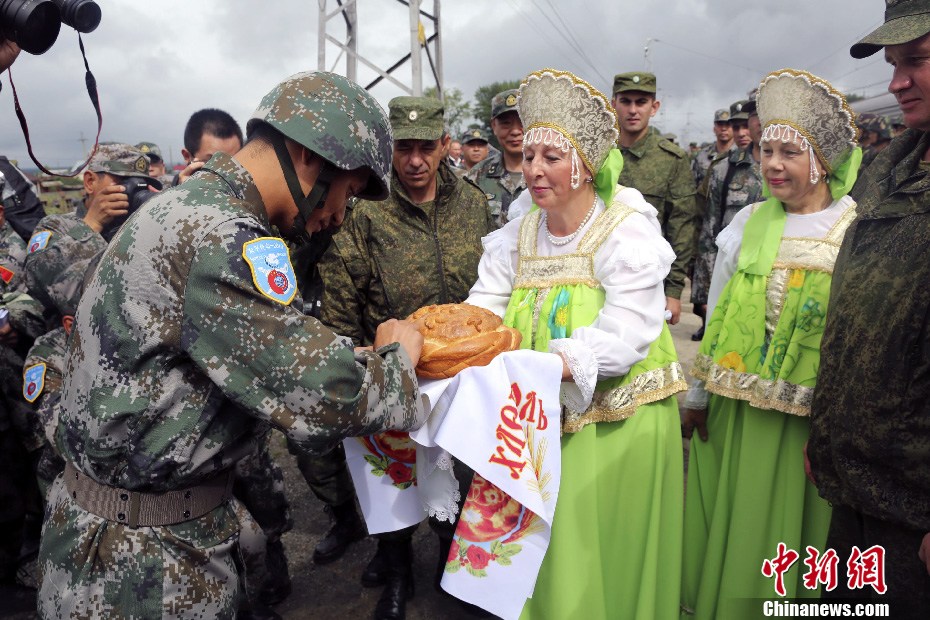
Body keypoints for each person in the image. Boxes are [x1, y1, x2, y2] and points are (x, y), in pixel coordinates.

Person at [36, 71, 428, 619]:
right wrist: (397, 358)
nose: (340, 214)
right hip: (141, 570)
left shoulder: (187, 207)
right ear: (306, 156)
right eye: (350, 190)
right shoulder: (219, 236)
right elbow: (329, 399)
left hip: (126, 536)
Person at [467, 68, 685, 619]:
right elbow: (484, 303)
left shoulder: (623, 228)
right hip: (533, 414)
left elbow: (631, 327)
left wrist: (546, 366)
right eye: (530, 155)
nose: (534, 170)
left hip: (613, 421)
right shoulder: (519, 230)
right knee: (540, 554)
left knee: (593, 550)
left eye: (551, 158)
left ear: (585, 165)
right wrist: (450, 341)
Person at [680, 69, 862, 618]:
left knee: (796, 536)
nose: (773, 164)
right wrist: (697, 397)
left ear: (822, 161)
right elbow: (716, 315)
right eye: (766, 150)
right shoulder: (749, 222)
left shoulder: (853, 228)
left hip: (811, 422)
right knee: (740, 517)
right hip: (738, 413)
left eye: (789, 152)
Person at [318, 95, 493, 620]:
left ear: (445, 146)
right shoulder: (366, 210)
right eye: (403, 149)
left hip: (462, 372)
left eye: (425, 148)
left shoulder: (474, 204)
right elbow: (342, 288)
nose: (415, 161)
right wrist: (353, 358)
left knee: (456, 474)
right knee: (390, 479)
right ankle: (396, 572)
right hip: (393, 370)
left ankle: (450, 562)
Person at [809, 2, 930, 615]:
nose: (896, 82)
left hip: (916, 511)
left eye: (917, 60)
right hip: (858, 486)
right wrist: (827, 432)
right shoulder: (895, 165)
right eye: (893, 64)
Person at [612, 71, 697, 325]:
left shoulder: (671, 159)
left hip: (650, 282)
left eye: (641, 102)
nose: (633, 110)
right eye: (626, 101)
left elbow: (681, 226)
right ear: (613, 103)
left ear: (654, 107)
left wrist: (673, 292)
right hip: (599, 275)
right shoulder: (599, 154)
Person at [690, 99, 763, 341]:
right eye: (739, 125)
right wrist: (707, 287)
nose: (743, 131)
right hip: (733, 271)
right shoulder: (724, 168)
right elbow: (710, 228)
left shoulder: (797, 166)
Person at [467, 89, 527, 228]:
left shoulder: (549, 175)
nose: (515, 131)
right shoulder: (476, 177)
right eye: (506, 123)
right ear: (494, 126)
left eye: (523, 122)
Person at [174, 108, 244, 185]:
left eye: (233, 163)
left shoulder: (249, 189)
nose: (226, 173)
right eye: (213, 163)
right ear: (187, 156)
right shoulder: (165, 193)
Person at [691, 109, 733, 189]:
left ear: (733, 128)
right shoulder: (701, 156)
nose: (723, 128)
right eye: (720, 124)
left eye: (728, 124)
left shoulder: (741, 156)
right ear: (714, 128)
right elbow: (692, 186)